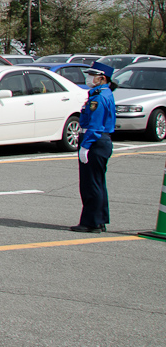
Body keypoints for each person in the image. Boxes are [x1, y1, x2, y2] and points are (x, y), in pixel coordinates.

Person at [72, 62, 116, 233]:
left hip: (95, 142)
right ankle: (99, 220)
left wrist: (86, 146)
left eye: (92, 75)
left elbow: (96, 125)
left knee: (91, 185)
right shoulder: (101, 94)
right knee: (97, 183)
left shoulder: (99, 97)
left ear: (102, 78)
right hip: (99, 141)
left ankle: (91, 222)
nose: (88, 78)